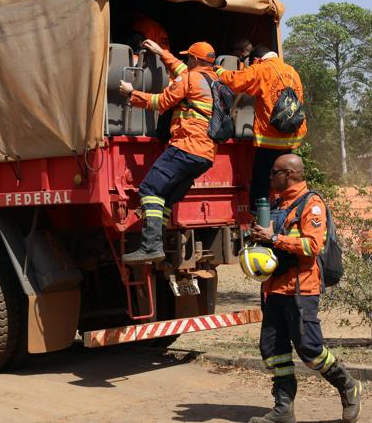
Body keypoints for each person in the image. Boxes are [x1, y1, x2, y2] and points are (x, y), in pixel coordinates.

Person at [249, 154, 361, 423]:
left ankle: (348, 385)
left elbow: (313, 246)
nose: (270, 177)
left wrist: (274, 237)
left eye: (274, 172)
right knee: (273, 350)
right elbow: (273, 243)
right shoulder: (278, 203)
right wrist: (258, 237)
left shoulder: (312, 204)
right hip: (274, 288)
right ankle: (283, 409)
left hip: (301, 288)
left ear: (287, 174)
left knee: (310, 348)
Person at [117, 39, 219, 264]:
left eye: (187, 57)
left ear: (194, 59)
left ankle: (150, 246)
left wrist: (131, 93)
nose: (184, 61)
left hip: (186, 146)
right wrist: (162, 53)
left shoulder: (189, 78)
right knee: (165, 199)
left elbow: (161, 102)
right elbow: (182, 70)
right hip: (205, 154)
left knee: (150, 189)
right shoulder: (214, 79)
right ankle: (156, 245)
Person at [216, 44, 307, 211]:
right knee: (286, 181)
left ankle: (259, 219)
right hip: (290, 139)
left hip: (270, 140)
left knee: (261, 182)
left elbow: (235, 81)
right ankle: (286, 213)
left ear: (257, 60)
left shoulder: (261, 69)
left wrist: (219, 71)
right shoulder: (292, 71)